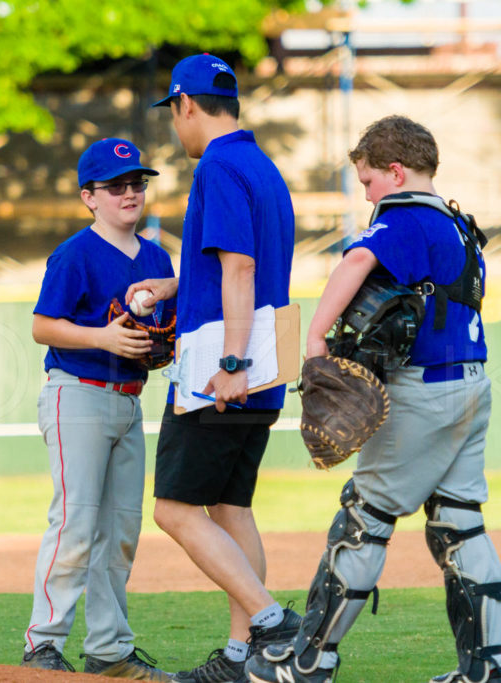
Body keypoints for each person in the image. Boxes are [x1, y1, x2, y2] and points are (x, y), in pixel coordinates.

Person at [245, 115, 501, 683]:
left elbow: (356, 261)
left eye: (367, 180)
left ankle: (309, 662)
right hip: (471, 383)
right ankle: (486, 668)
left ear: (395, 171)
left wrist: (316, 338)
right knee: (459, 522)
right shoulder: (459, 223)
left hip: (424, 390)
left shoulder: (406, 215)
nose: (366, 192)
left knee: (363, 518)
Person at [127, 53, 298, 683]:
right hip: (264, 362)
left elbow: (241, 270)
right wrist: (176, 287)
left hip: (224, 368)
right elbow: (244, 266)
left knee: (173, 508)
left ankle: (273, 625)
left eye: (173, 111)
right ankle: (242, 655)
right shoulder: (262, 165)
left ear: (186, 105)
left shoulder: (219, 167)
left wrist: (230, 362)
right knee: (231, 509)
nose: (176, 123)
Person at [19, 138, 175, 681]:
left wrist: (161, 330)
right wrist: (103, 339)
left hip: (128, 403)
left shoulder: (157, 258)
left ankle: (109, 650)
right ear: (90, 197)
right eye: (116, 186)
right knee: (76, 522)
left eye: (137, 183)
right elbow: (42, 325)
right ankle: (42, 643)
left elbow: (163, 327)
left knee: (121, 530)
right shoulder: (75, 254)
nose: (130, 192)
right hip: (77, 393)